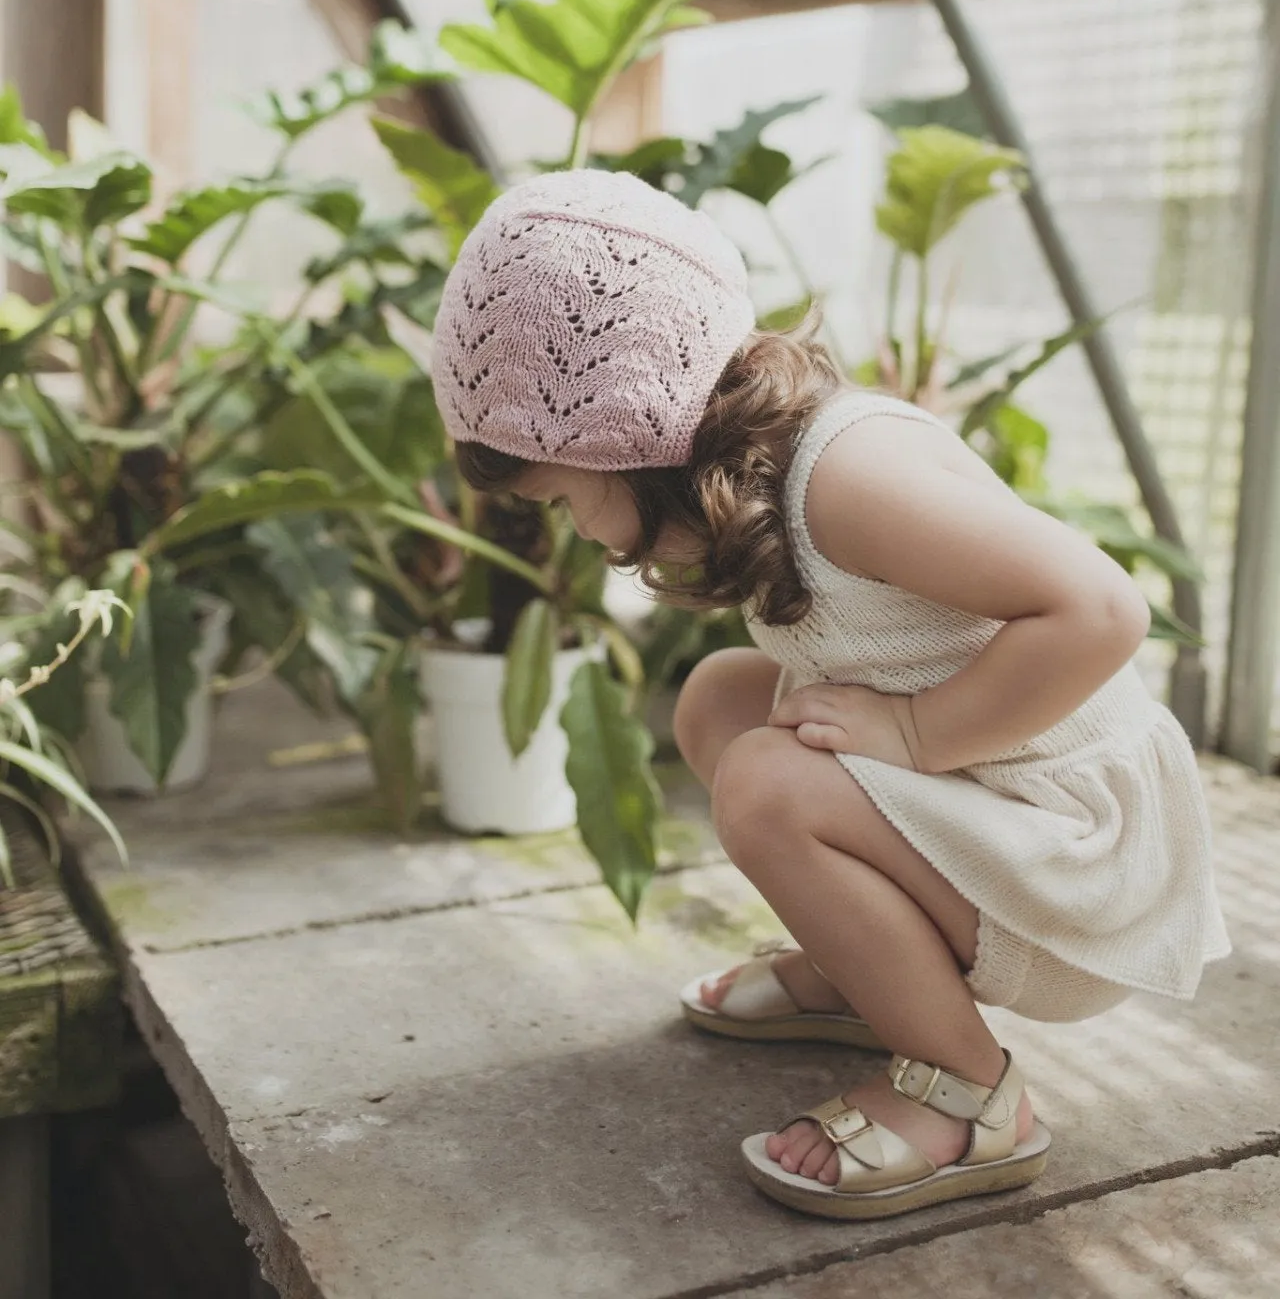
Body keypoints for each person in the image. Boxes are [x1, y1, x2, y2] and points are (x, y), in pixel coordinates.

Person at [430, 168, 1229, 1222]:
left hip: (1078, 874)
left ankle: (965, 1094)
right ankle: (868, 976)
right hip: (998, 825)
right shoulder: (772, 461)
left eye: (561, 494)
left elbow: (1099, 611)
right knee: (722, 701)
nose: (569, 527)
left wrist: (913, 729)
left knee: (764, 781)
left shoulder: (847, 479)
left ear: (628, 430)